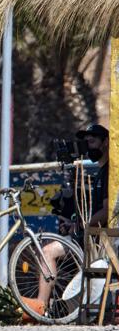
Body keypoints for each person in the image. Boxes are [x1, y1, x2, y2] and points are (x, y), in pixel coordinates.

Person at [36, 124, 109, 307]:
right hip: (90, 235)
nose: (87, 147)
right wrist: (73, 223)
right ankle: (46, 307)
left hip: (100, 240)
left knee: (48, 252)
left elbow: (107, 211)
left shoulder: (110, 172)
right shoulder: (101, 171)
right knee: (48, 251)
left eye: (91, 141)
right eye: (85, 142)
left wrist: (81, 226)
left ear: (106, 142)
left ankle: (40, 306)